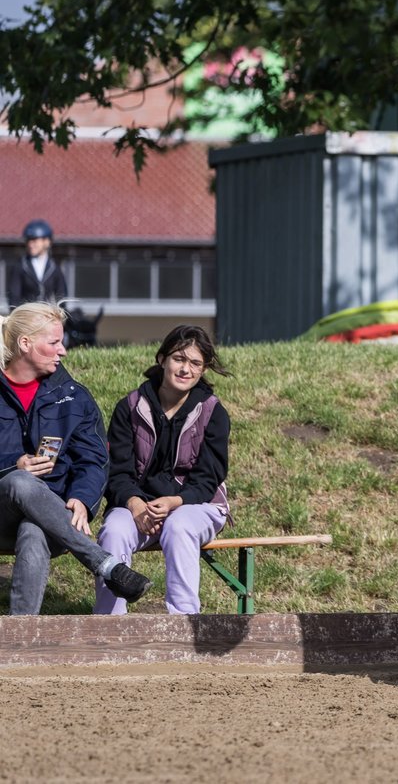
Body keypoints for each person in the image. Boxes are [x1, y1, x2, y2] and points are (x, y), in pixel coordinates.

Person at [0, 302, 151, 614]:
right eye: (54, 342)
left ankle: (19, 636)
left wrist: (82, 499)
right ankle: (106, 565)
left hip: (55, 516)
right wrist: (14, 463)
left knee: (35, 528)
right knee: (20, 480)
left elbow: (93, 460)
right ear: (25, 344)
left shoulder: (74, 396)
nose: (64, 350)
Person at [94, 325, 231, 615]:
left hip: (196, 505)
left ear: (204, 368)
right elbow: (116, 472)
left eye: (195, 363)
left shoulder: (212, 412)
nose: (186, 369)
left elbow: (209, 477)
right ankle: (108, 624)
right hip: (137, 506)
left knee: (178, 525)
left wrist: (175, 502)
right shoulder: (129, 407)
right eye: (179, 359)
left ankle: (183, 620)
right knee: (114, 530)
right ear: (162, 359)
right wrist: (134, 503)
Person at [6, 220, 68, 310]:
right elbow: (14, 296)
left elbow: (62, 294)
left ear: (46, 241)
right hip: (27, 317)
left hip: (48, 316)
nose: (30, 245)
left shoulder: (54, 267)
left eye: (34, 240)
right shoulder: (20, 266)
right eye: (28, 241)